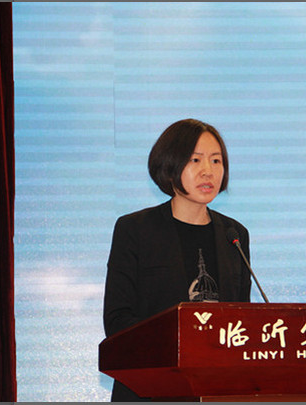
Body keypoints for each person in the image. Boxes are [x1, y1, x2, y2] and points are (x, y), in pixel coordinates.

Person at [103, 118, 252, 401]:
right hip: (150, 389)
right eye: (195, 160)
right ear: (170, 165)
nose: (208, 171)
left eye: (216, 161)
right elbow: (118, 319)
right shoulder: (135, 230)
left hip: (216, 390)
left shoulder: (234, 234)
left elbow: (242, 320)